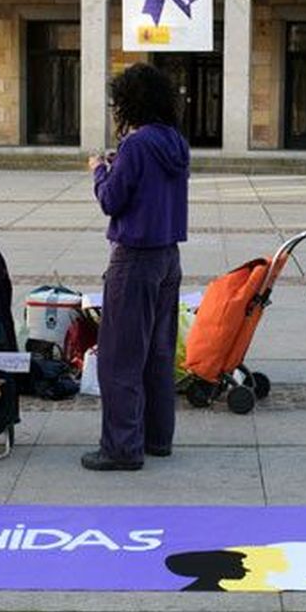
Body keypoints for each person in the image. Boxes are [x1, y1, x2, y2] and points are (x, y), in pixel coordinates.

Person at [84, 62, 190, 471]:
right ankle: (157, 438)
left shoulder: (137, 144)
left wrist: (99, 170)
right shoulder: (176, 142)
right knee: (158, 354)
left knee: (119, 357)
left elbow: (112, 199)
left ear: (130, 103)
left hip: (135, 257)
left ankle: (122, 448)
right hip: (168, 256)